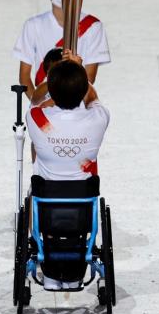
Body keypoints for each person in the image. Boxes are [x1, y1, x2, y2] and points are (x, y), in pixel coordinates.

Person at [26, 56, 108, 289]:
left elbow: (36, 98)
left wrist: (57, 75)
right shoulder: (97, 120)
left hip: (47, 202)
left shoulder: (38, 119)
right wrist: (78, 69)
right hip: (83, 201)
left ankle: (51, 275)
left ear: (52, 89)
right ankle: (73, 273)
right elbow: (92, 97)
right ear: (82, 87)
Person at [13, 0, 110, 99]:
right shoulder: (33, 25)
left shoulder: (93, 26)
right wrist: (37, 104)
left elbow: (89, 77)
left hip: (77, 104)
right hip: (44, 103)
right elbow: (24, 76)